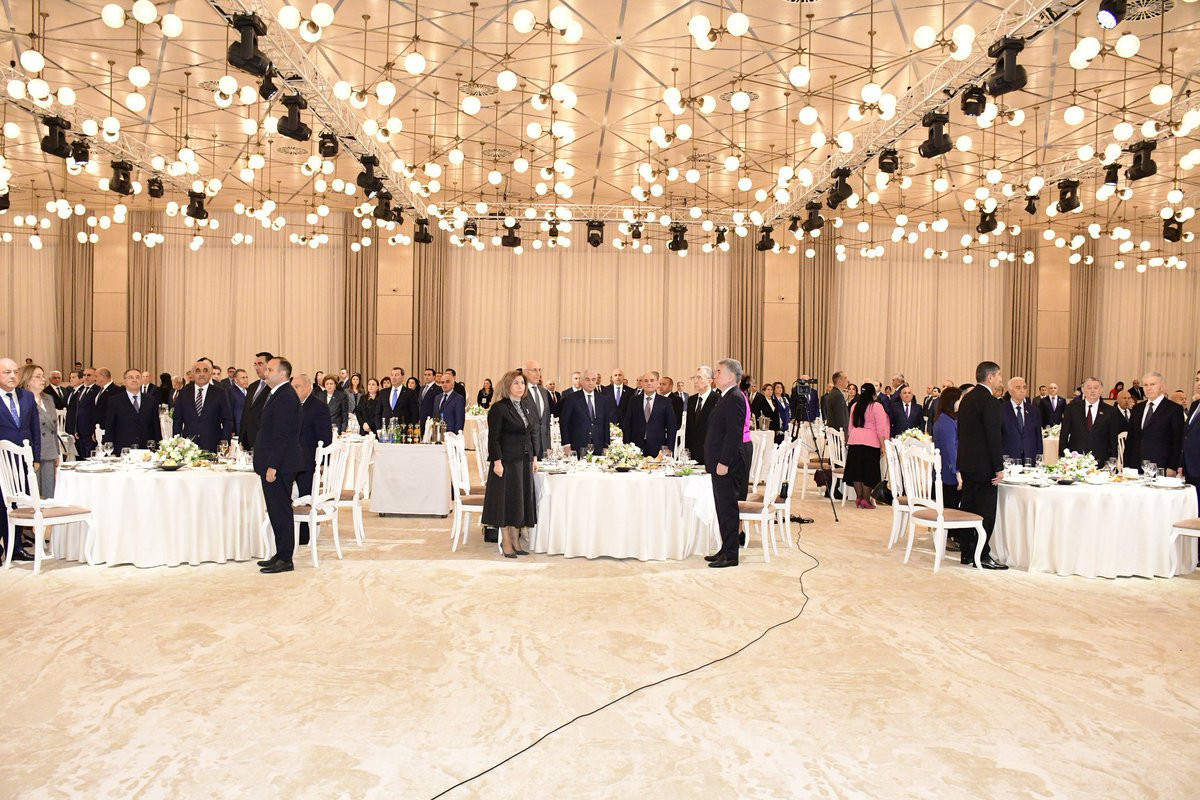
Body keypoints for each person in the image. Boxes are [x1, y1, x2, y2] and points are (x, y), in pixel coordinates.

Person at [956, 361, 1009, 570]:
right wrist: (999, 467)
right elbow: (993, 437)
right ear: (990, 377)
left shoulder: (967, 399)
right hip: (984, 466)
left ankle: (967, 553)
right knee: (986, 512)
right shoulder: (990, 401)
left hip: (967, 463)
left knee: (968, 508)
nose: (1000, 379)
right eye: (999, 375)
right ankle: (983, 554)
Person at [482, 369, 539, 558]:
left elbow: (529, 434)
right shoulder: (499, 408)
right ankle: (506, 540)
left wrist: (534, 458)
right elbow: (494, 439)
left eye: (522, 383)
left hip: (523, 460)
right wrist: (497, 462)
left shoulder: (524, 406)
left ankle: (516, 538)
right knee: (506, 502)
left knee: (519, 501)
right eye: (516, 383)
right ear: (507, 386)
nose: (520, 386)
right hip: (506, 462)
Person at [255, 358, 304, 574]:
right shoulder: (278, 393)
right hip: (277, 462)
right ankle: (280, 553)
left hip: (280, 465)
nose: (266, 372)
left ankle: (285, 559)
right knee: (276, 511)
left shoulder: (285, 396)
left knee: (281, 511)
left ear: (282, 374)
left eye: (270, 369)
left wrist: (273, 465)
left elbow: (283, 435)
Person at [704, 358, 749, 569]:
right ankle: (725, 548)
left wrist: (724, 461)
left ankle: (731, 555)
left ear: (731, 376)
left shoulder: (735, 398)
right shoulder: (726, 396)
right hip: (719, 462)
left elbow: (734, 434)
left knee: (728, 509)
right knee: (721, 508)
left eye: (719, 372)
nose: (715, 375)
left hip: (727, 464)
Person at [0, 357, 40, 561]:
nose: (12, 376)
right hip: (1, 462)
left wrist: (36, 458)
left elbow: (34, 429)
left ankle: (15, 548)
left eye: (15, 372)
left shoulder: (27, 397)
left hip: (23, 462)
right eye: (7, 372)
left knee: (17, 505)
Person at [291, 374, 332, 547]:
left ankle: (304, 535)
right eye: (292, 387)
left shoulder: (318, 407)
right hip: (291, 459)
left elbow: (325, 437)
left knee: (305, 496)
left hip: (308, 461)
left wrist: (322, 463)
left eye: (297, 387)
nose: (294, 390)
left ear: (308, 387)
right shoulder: (291, 405)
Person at [1125, 371, 1184, 475]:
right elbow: (1131, 438)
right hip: (1135, 466)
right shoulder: (1137, 408)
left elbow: (1177, 441)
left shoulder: (1174, 409)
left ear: (1162, 386)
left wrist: (1172, 466)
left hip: (1161, 466)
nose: (1148, 388)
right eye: (1146, 385)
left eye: (1152, 384)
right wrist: (1126, 465)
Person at [172, 358, 235, 452]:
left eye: (205, 371)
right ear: (192, 374)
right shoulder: (183, 393)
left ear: (210, 374)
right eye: (198, 371)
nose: (201, 374)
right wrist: (176, 443)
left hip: (212, 446)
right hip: (188, 446)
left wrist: (224, 443)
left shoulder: (220, 393)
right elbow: (177, 420)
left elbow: (227, 420)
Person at [844, 383, 889, 509]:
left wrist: (850, 439)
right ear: (873, 394)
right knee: (869, 472)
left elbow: (850, 426)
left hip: (855, 440)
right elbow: (881, 429)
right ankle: (866, 499)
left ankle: (858, 498)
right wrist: (883, 445)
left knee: (856, 471)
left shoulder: (855, 405)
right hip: (871, 442)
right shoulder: (876, 406)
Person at [1059, 377, 1120, 464]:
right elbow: (1064, 434)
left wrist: (1113, 458)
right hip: (1075, 459)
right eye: (1089, 388)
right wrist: (1063, 455)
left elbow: (1113, 437)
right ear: (1083, 390)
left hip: (1100, 459)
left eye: (1096, 388)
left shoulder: (1111, 411)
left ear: (1101, 390)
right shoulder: (1071, 408)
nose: (1092, 391)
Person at [558, 369, 617, 456]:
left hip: (598, 445)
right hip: (578, 445)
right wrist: (566, 444)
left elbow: (606, 424)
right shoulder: (571, 399)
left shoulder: (603, 400)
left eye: (593, 379)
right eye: (587, 380)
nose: (591, 383)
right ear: (581, 381)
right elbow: (564, 422)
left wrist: (606, 446)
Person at [103, 368, 160, 453]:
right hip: (123, 450)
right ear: (124, 381)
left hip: (146, 450)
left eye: (137, 377)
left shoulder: (151, 400)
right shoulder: (114, 401)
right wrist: (110, 449)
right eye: (130, 377)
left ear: (141, 380)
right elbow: (109, 426)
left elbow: (156, 425)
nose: (134, 380)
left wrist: (158, 447)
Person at [23, 369, 59, 498]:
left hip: (49, 451)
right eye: (38, 376)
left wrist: (57, 452)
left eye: (43, 376)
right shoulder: (22, 400)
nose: (43, 379)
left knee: (49, 493)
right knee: (33, 493)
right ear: (27, 380)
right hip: (33, 452)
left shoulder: (48, 398)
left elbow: (54, 428)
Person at [624, 370, 678, 456]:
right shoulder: (633, 401)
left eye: (652, 380)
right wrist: (627, 445)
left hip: (658, 447)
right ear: (642, 383)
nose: (649, 383)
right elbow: (627, 424)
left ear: (657, 383)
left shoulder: (666, 402)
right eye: (646, 381)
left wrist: (669, 448)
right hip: (635, 447)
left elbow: (672, 426)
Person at [930, 385, 963, 510]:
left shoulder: (948, 418)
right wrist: (958, 473)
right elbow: (950, 449)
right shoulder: (945, 421)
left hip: (947, 470)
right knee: (950, 509)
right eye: (960, 399)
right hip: (948, 474)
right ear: (952, 401)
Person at [1000, 377, 1043, 464]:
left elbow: (1038, 434)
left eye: (1024, 387)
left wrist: (1039, 452)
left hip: (1030, 455)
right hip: (1009, 456)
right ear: (1010, 391)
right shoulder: (1001, 410)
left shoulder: (1034, 410)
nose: (1022, 390)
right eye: (1018, 387)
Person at [240, 352, 274, 450]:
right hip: (246, 440)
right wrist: (241, 438)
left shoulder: (273, 387)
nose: (257, 368)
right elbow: (246, 413)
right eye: (255, 364)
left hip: (263, 440)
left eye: (260, 364)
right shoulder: (252, 386)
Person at [684, 366, 717, 465]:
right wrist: (686, 450)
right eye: (694, 378)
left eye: (699, 378)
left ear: (710, 380)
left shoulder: (717, 400)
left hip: (710, 452)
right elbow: (689, 428)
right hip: (693, 454)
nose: (695, 381)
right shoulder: (691, 400)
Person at [520, 360, 553, 458]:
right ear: (525, 372)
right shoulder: (521, 392)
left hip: (544, 447)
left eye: (539, 370)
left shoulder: (544, 392)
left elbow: (546, 422)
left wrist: (548, 446)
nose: (538, 373)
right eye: (534, 370)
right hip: (527, 447)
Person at [1182, 372, 1200, 510]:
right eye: (1197, 380)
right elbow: (1187, 435)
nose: (1199, 383)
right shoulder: (1194, 405)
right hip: (1190, 465)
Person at [228, 368, 249, 432]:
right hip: (237, 427)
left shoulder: (249, 391)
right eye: (243, 378)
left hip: (248, 427)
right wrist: (232, 430)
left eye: (246, 377)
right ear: (235, 379)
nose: (245, 380)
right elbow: (229, 412)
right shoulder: (230, 391)